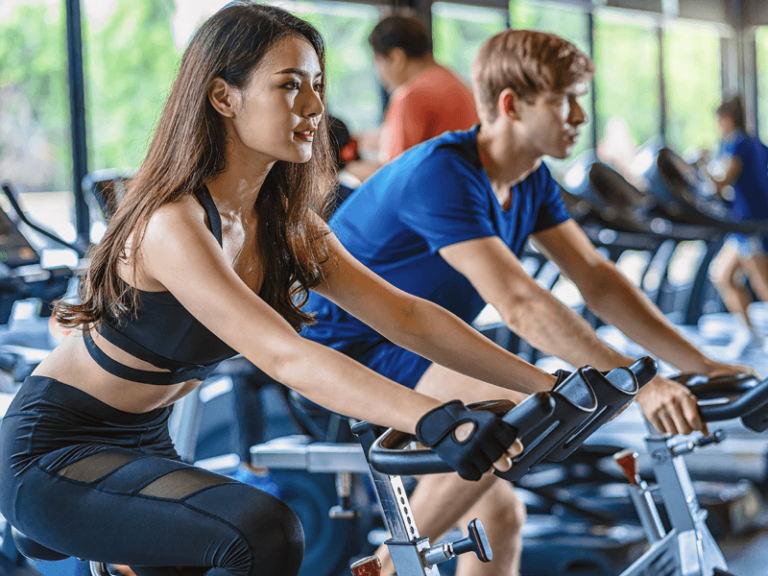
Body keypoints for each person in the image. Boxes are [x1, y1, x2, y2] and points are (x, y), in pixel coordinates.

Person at [0, 5, 582, 576]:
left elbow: (405, 316)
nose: (313, 105)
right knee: (266, 532)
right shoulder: (174, 223)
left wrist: (554, 387)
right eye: (289, 85)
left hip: (145, 444)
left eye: (318, 84)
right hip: (55, 450)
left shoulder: (287, 225)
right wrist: (435, 418)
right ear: (224, 97)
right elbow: (285, 354)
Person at [303, 30, 748, 576]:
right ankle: (387, 568)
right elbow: (519, 302)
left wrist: (697, 365)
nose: (580, 116)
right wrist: (642, 381)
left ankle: (392, 564)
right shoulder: (443, 172)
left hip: (417, 344)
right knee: (513, 415)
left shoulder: (530, 180)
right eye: (565, 100)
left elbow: (597, 279)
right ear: (511, 105)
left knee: (500, 520)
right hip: (348, 351)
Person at [347, 13, 479, 181]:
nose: (380, 75)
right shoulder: (456, 83)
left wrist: (345, 168)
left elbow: (393, 177)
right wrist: (358, 140)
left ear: (396, 58)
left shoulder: (410, 96)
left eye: (378, 63)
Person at [708, 95, 768, 337]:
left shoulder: (738, 143)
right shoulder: (754, 142)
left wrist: (703, 168)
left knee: (763, 285)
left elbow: (723, 181)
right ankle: (751, 335)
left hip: (750, 222)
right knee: (722, 275)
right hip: (743, 222)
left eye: (719, 120)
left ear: (728, 119)